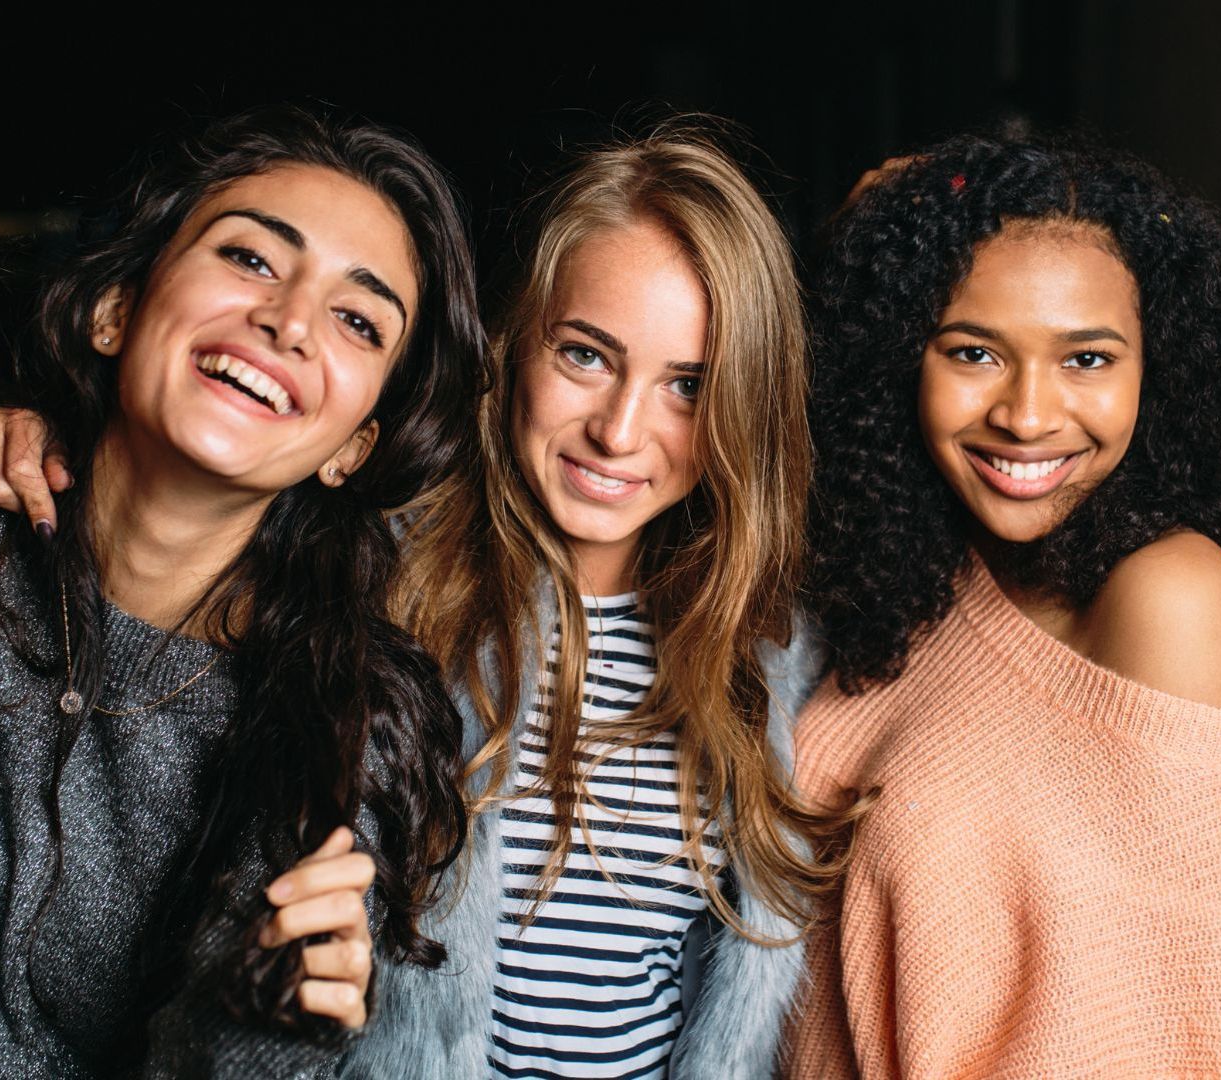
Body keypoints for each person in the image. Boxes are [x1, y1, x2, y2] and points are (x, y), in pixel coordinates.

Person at [788, 134, 1221, 1078]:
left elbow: (1174, 1033)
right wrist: (881, 233)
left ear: (1161, 368)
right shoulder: (914, 572)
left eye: (1087, 359)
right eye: (974, 351)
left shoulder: (1172, 599)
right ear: (896, 354)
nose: (1029, 415)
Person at [0, 106, 481, 1076]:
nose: (288, 322)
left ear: (351, 449)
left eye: (356, 318)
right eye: (252, 259)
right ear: (117, 308)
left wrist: (260, 1025)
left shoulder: (340, 727)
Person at [338, 129, 843, 1080]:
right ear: (515, 340)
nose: (619, 431)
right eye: (585, 355)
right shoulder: (380, 590)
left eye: (687, 386)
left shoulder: (766, 654)